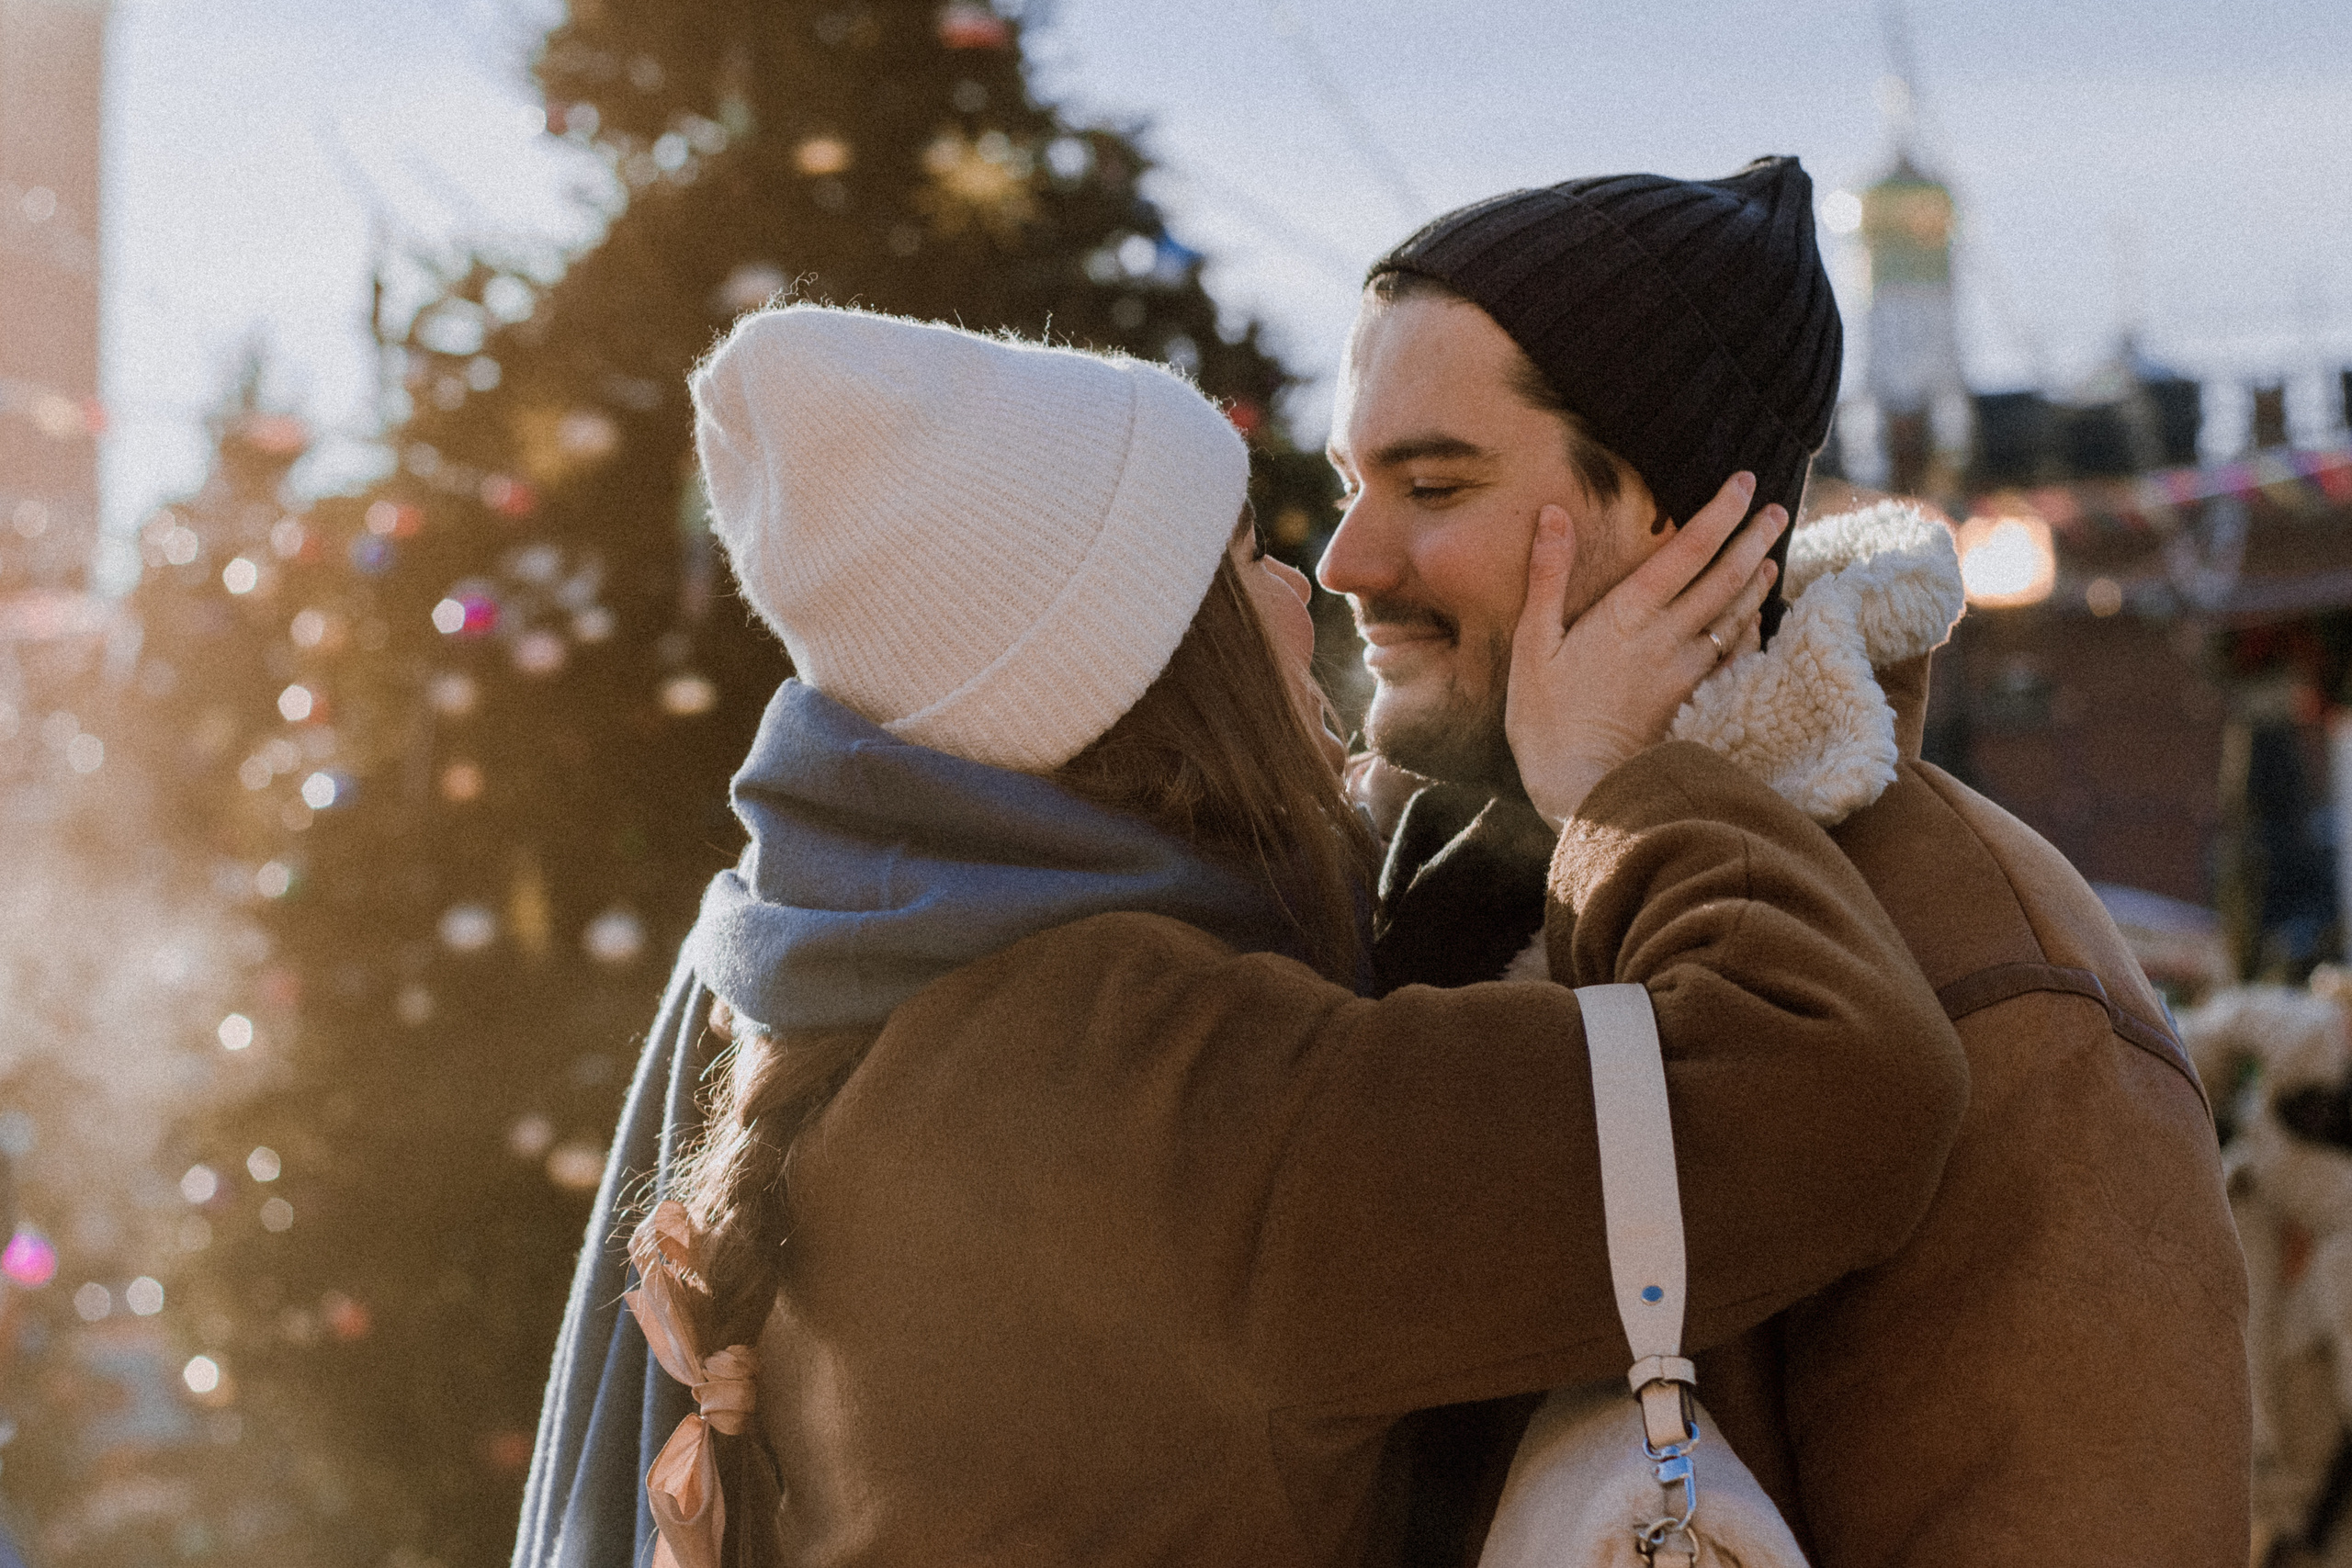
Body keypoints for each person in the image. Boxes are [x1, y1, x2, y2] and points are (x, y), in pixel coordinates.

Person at [513, 303, 1968, 1568]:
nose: (1305, 587)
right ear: (1147, 672)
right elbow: (1833, 1087)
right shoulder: (1148, 1095)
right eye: (1236, 560)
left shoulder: (889, 998)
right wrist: (1620, 780)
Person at [1319, 155, 2250, 1565]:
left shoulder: (1997, 989)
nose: (1345, 559)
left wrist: (1622, 799)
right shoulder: (1397, 889)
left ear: (1684, 520)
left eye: (1433, 484)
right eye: (1351, 482)